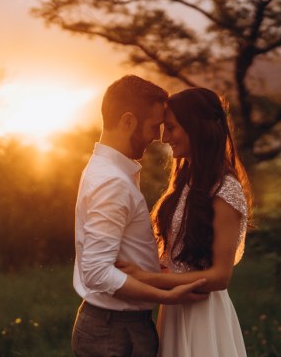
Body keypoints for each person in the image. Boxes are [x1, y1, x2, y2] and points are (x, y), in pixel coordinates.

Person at [71, 75, 208, 357]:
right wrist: (165, 296)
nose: (158, 137)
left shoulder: (111, 171)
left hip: (117, 328)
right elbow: (96, 272)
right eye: (154, 126)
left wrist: (156, 266)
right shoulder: (112, 181)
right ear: (128, 121)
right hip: (115, 333)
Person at [117, 87, 252, 356]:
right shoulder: (185, 183)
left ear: (197, 128)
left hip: (202, 315)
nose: (165, 138)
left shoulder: (225, 189)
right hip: (175, 309)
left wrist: (147, 278)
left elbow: (220, 276)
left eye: (172, 128)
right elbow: (178, 257)